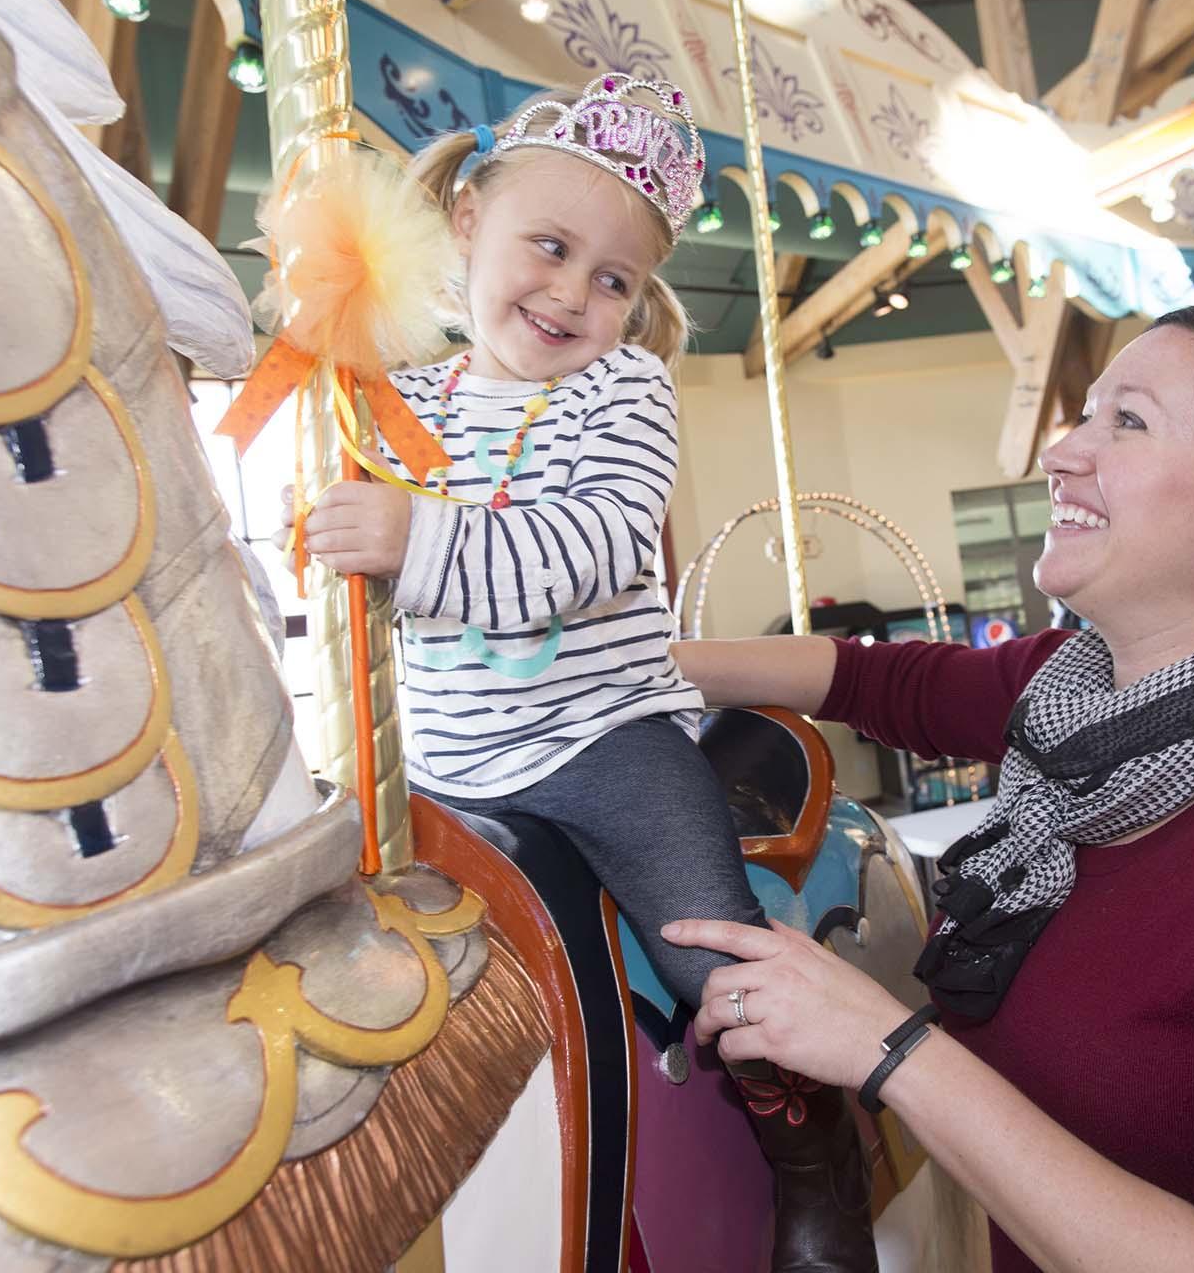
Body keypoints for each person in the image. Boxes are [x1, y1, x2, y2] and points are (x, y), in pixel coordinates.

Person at [668, 307, 1194, 1272]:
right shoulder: (1072, 693)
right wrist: (622, 668)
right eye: (1083, 415)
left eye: (1126, 421)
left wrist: (885, 1045)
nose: (1062, 451)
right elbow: (871, 678)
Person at [278, 74, 876, 1270]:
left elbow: (596, 544)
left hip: (603, 744)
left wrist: (414, 535)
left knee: (716, 953)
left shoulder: (623, 391)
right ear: (468, 226)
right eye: (547, 248)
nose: (572, 294)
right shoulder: (403, 403)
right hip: (446, 761)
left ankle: (814, 1154)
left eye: (614, 279)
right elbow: (367, 585)